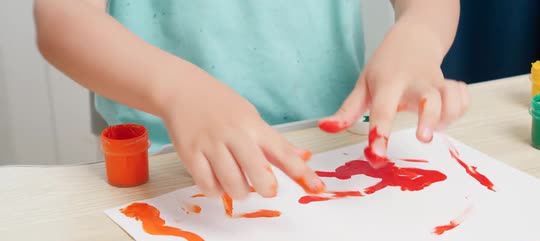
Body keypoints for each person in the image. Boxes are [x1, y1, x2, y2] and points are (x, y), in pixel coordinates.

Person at [33, 0, 469, 200]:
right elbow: (61, 19)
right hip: (169, 169)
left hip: (329, 153)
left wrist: (419, 37)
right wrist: (177, 90)